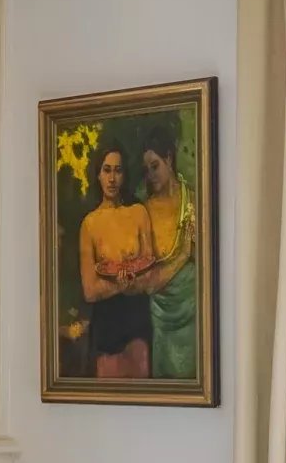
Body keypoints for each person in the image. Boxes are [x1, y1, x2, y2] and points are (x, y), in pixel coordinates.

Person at [72, 141, 158, 379]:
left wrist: (133, 282)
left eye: (118, 171)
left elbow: (150, 273)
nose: (112, 179)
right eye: (106, 170)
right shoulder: (89, 224)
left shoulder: (139, 213)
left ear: (125, 175)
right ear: (98, 175)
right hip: (106, 325)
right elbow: (90, 291)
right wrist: (122, 285)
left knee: (141, 391)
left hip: (137, 320)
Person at [136, 130, 202, 381]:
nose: (151, 175)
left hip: (194, 311)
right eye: (146, 170)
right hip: (162, 318)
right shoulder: (145, 212)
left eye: (155, 166)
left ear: (169, 160)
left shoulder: (193, 202)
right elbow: (149, 283)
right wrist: (184, 253)